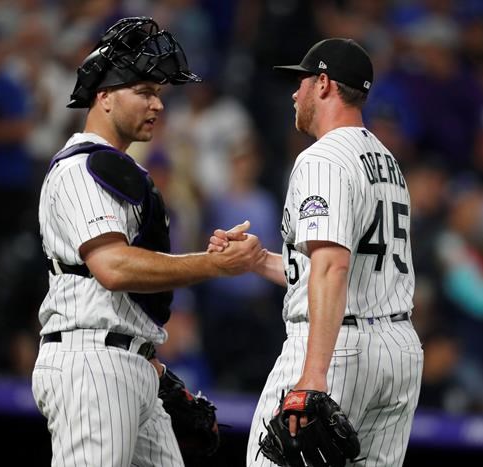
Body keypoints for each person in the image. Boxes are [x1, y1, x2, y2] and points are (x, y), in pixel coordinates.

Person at [31, 17, 265, 467]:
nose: (157, 104)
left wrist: (156, 370)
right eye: (143, 91)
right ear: (103, 96)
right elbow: (113, 268)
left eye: (159, 94)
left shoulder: (119, 170)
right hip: (93, 363)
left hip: (130, 362)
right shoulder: (80, 168)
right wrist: (215, 265)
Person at [210, 38, 424, 466]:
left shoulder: (322, 158)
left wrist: (313, 375)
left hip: (336, 348)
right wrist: (260, 261)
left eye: (302, 82)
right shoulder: (386, 160)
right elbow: (346, 267)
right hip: (398, 352)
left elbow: (332, 267)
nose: (294, 93)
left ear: (324, 84)